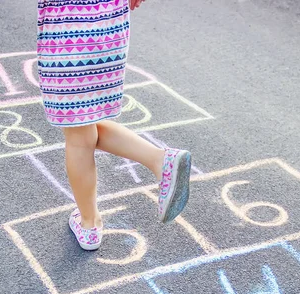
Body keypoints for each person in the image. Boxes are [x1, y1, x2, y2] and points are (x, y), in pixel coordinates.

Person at [37, 0, 191, 250]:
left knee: (78, 137)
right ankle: (159, 160)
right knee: (84, 125)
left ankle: (88, 223)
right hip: (109, 29)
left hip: (69, 32)